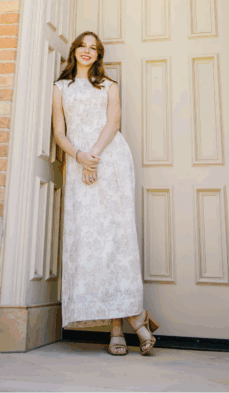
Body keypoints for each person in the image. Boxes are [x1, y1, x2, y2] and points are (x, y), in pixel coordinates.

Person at [51, 31, 160, 356]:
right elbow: (59, 132)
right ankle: (134, 319)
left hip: (110, 160)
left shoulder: (109, 86)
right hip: (78, 162)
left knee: (116, 239)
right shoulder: (60, 88)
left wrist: (94, 156)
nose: (87, 51)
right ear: (74, 51)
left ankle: (119, 329)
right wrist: (80, 157)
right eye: (82, 46)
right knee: (91, 241)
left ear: (99, 55)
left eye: (94, 48)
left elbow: (113, 123)